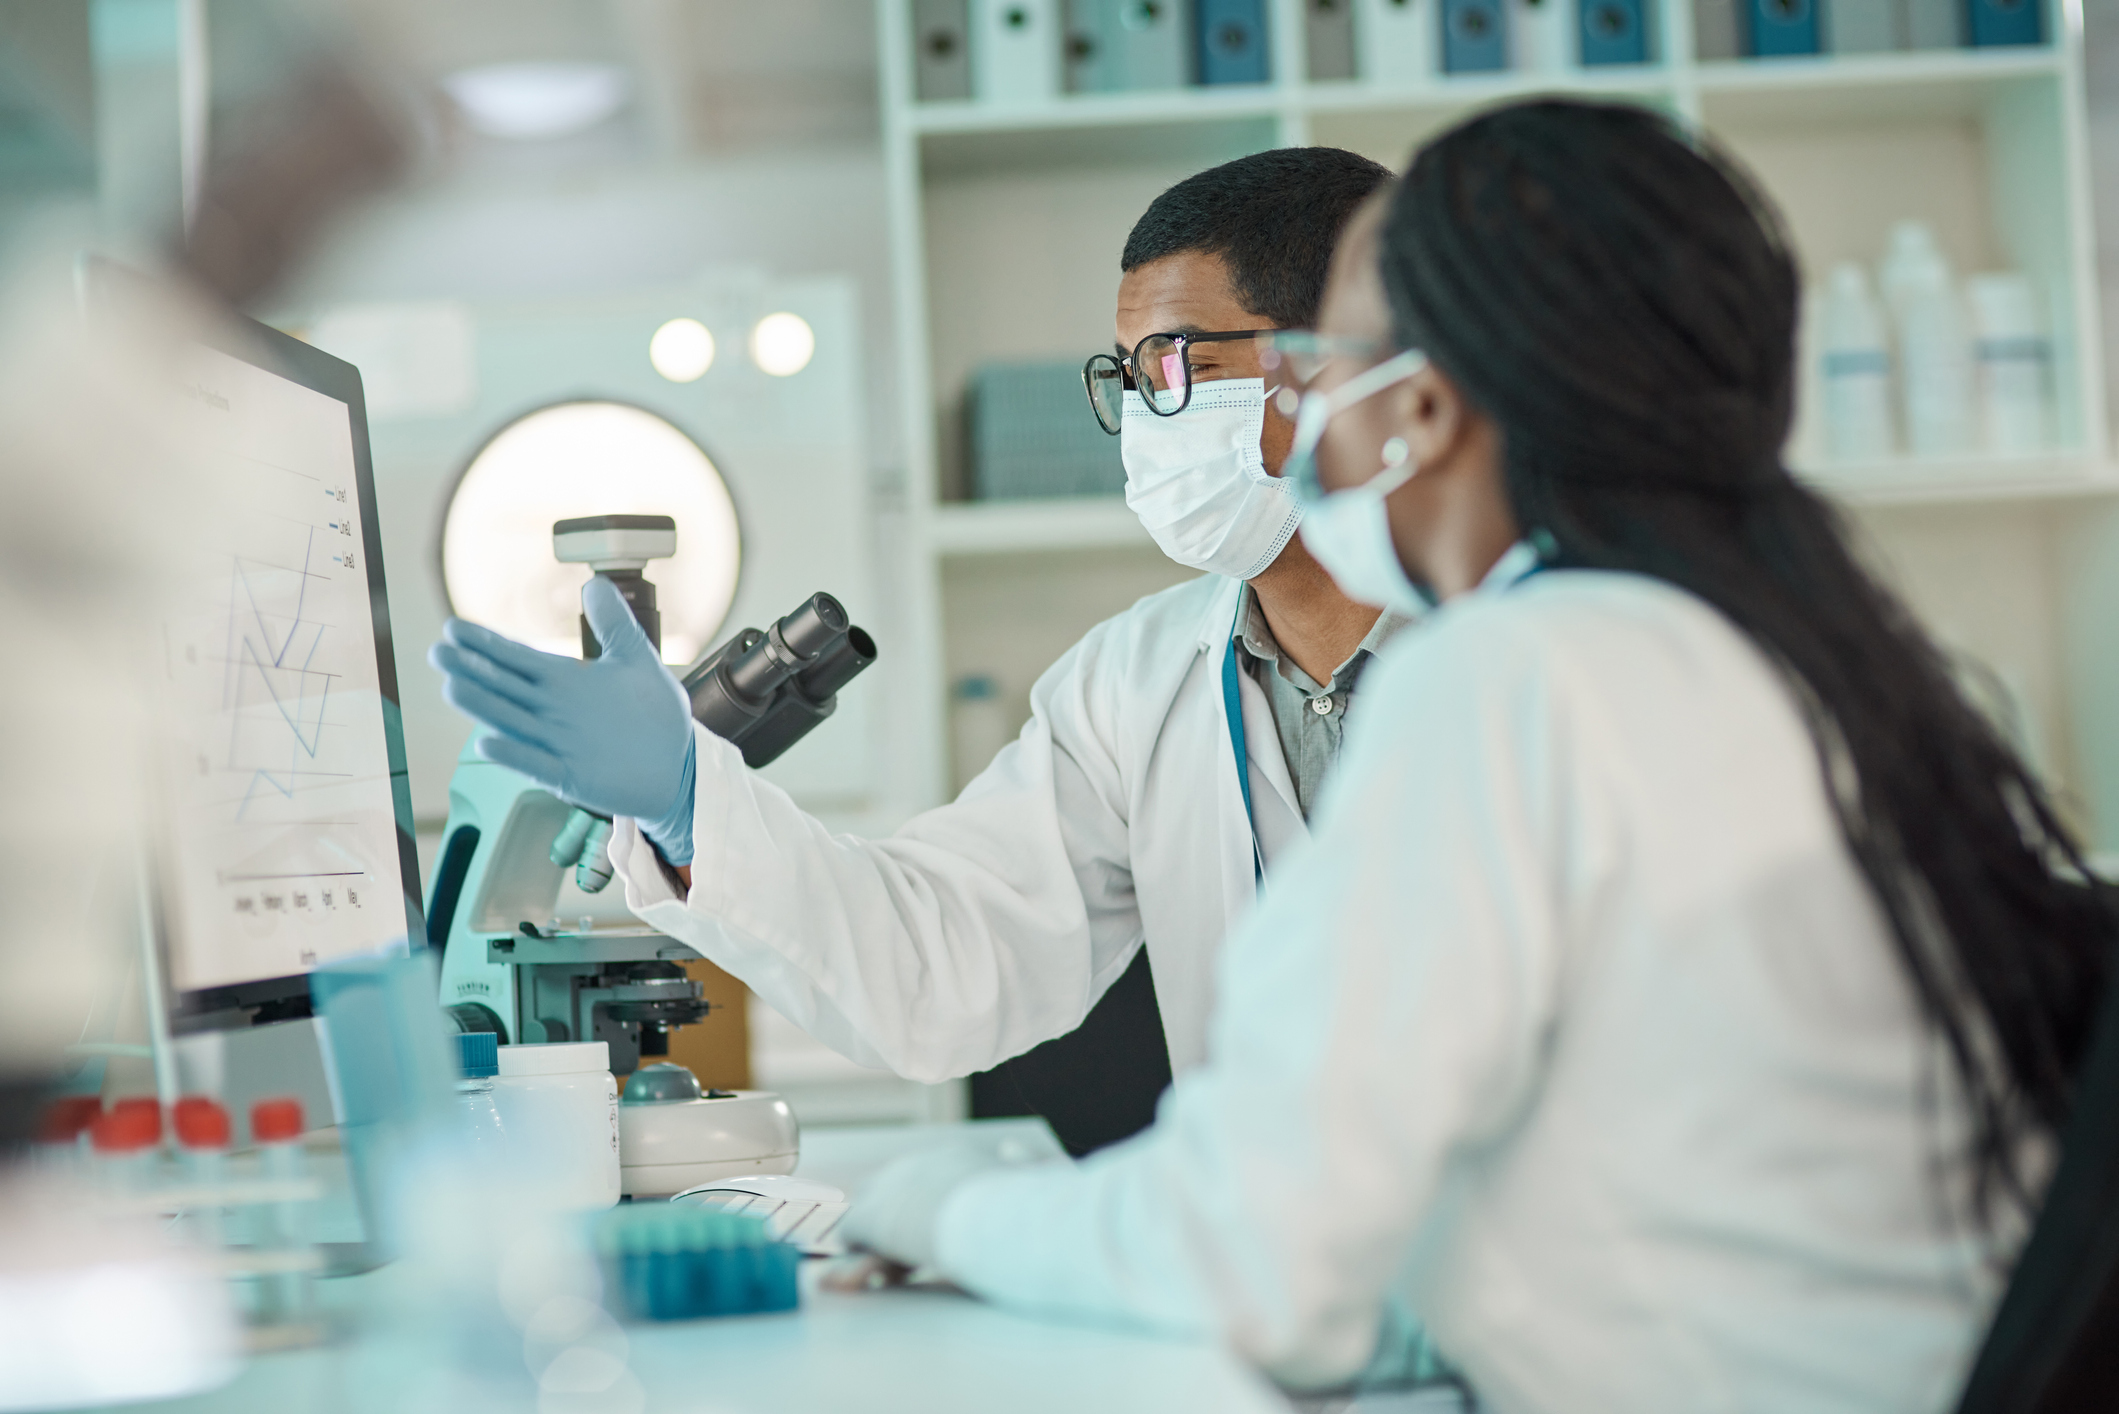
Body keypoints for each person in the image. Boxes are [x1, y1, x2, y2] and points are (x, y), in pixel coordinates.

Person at [832, 100, 2119, 1412]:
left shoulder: (1516, 673)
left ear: (1424, 402)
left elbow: (1250, 1251)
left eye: (1322, 358)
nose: (1294, 407)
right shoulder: (1792, 647)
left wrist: (942, 1206)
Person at [427, 147, 1402, 1155]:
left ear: (1339, 355)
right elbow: (939, 968)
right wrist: (688, 799)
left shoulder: (1526, 652)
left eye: (1172, 362)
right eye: (1125, 374)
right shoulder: (1133, 684)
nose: (1144, 415)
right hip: (1285, 1273)